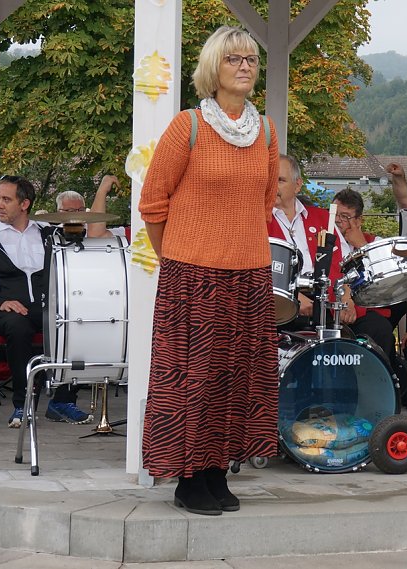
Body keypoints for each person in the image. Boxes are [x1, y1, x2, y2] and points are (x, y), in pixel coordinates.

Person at [139, 25, 279, 516]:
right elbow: (152, 203)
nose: (245, 67)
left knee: (236, 378)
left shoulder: (264, 131)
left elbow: (264, 204)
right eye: (233, 59)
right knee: (191, 379)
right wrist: (177, 254)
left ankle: (217, 472)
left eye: (251, 60)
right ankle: (187, 479)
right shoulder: (188, 126)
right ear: (213, 69)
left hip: (249, 275)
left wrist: (237, 247)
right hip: (192, 276)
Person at [0, 175, 94, 427]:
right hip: (4, 312)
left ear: (25, 204)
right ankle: (23, 405)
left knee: (72, 324)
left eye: (6, 199)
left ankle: (62, 402)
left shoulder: (49, 234)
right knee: (18, 326)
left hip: (46, 308)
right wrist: (0, 302)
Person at [268, 154, 342, 326]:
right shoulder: (257, 220)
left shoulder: (323, 218)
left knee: (376, 327)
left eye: (280, 180)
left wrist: (345, 294)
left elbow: (341, 264)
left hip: (324, 295)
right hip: (280, 297)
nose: (272, 186)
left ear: (298, 185)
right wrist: (294, 296)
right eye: (269, 179)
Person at [330, 188, 396, 358]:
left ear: (359, 220)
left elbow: (387, 278)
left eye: (344, 217)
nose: (338, 221)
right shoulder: (322, 240)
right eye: (335, 214)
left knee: (380, 328)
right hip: (328, 306)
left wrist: (361, 246)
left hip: (364, 310)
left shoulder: (375, 242)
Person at [54, 175, 122, 239]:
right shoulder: (54, 233)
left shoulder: (92, 228)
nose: (77, 214)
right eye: (71, 210)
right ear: (60, 212)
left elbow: (97, 235)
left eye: (81, 210)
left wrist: (102, 191)